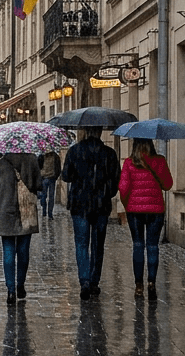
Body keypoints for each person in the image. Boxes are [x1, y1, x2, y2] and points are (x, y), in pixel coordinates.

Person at [62, 127, 120, 299]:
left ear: (86, 132)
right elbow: (116, 177)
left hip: (80, 203)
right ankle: (94, 281)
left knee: (81, 243)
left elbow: (66, 176)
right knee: (97, 244)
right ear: (100, 132)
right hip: (101, 204)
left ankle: (84, 280)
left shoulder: (74, 151)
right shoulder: (109, 153)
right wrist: (106, 192)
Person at [119, 139, 174, 296]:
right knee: (152, 246)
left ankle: (138, 286)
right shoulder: (160, 161)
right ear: (151, 145)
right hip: (156, 210)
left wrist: (127, 205)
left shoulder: (129, 163)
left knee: (137, 245)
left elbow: (123, 189)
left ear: (135, 145)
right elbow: (168, 185)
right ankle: (151, 282)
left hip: (134, 211)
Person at [0, 152, 41, 305]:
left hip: (6, 212)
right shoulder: (32, 160)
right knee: (23, 251)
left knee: (8, 251)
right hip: (27, 211)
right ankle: (20, 285)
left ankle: (10, 290)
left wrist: (0, 204)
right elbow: (39, 185)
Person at [38, 150, 61, 220]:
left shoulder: (55, 156)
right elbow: (38, 165)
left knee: (50, 197)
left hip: (51, 179)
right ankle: (45, 212)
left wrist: (55, 176)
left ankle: (49, 214)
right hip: (44, 178)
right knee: (44, 196)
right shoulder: (42, 156)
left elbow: (58, 168)